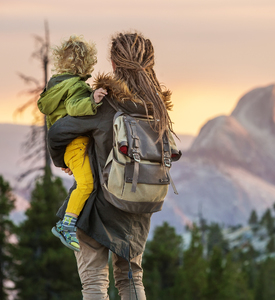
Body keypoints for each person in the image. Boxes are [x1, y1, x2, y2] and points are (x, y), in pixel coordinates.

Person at [47, 32, 174, 300]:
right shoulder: (157, 108)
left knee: (94, 283)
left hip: (98, 206)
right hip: (138, 206)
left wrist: (65, 160)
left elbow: (57, 132)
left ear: (114, 65)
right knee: (131, 280)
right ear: (150, 62)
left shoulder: (106, 102)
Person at [37, 35, 107, 252]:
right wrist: (93, 100)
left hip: (67, 148)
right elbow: (75, 107)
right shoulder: (75, 86)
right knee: (87, 185)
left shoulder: (55, 87)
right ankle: (66, 225)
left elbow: (56, 119)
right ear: (87, 63)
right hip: (76, 144)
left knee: (84, 184)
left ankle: (68, 222)